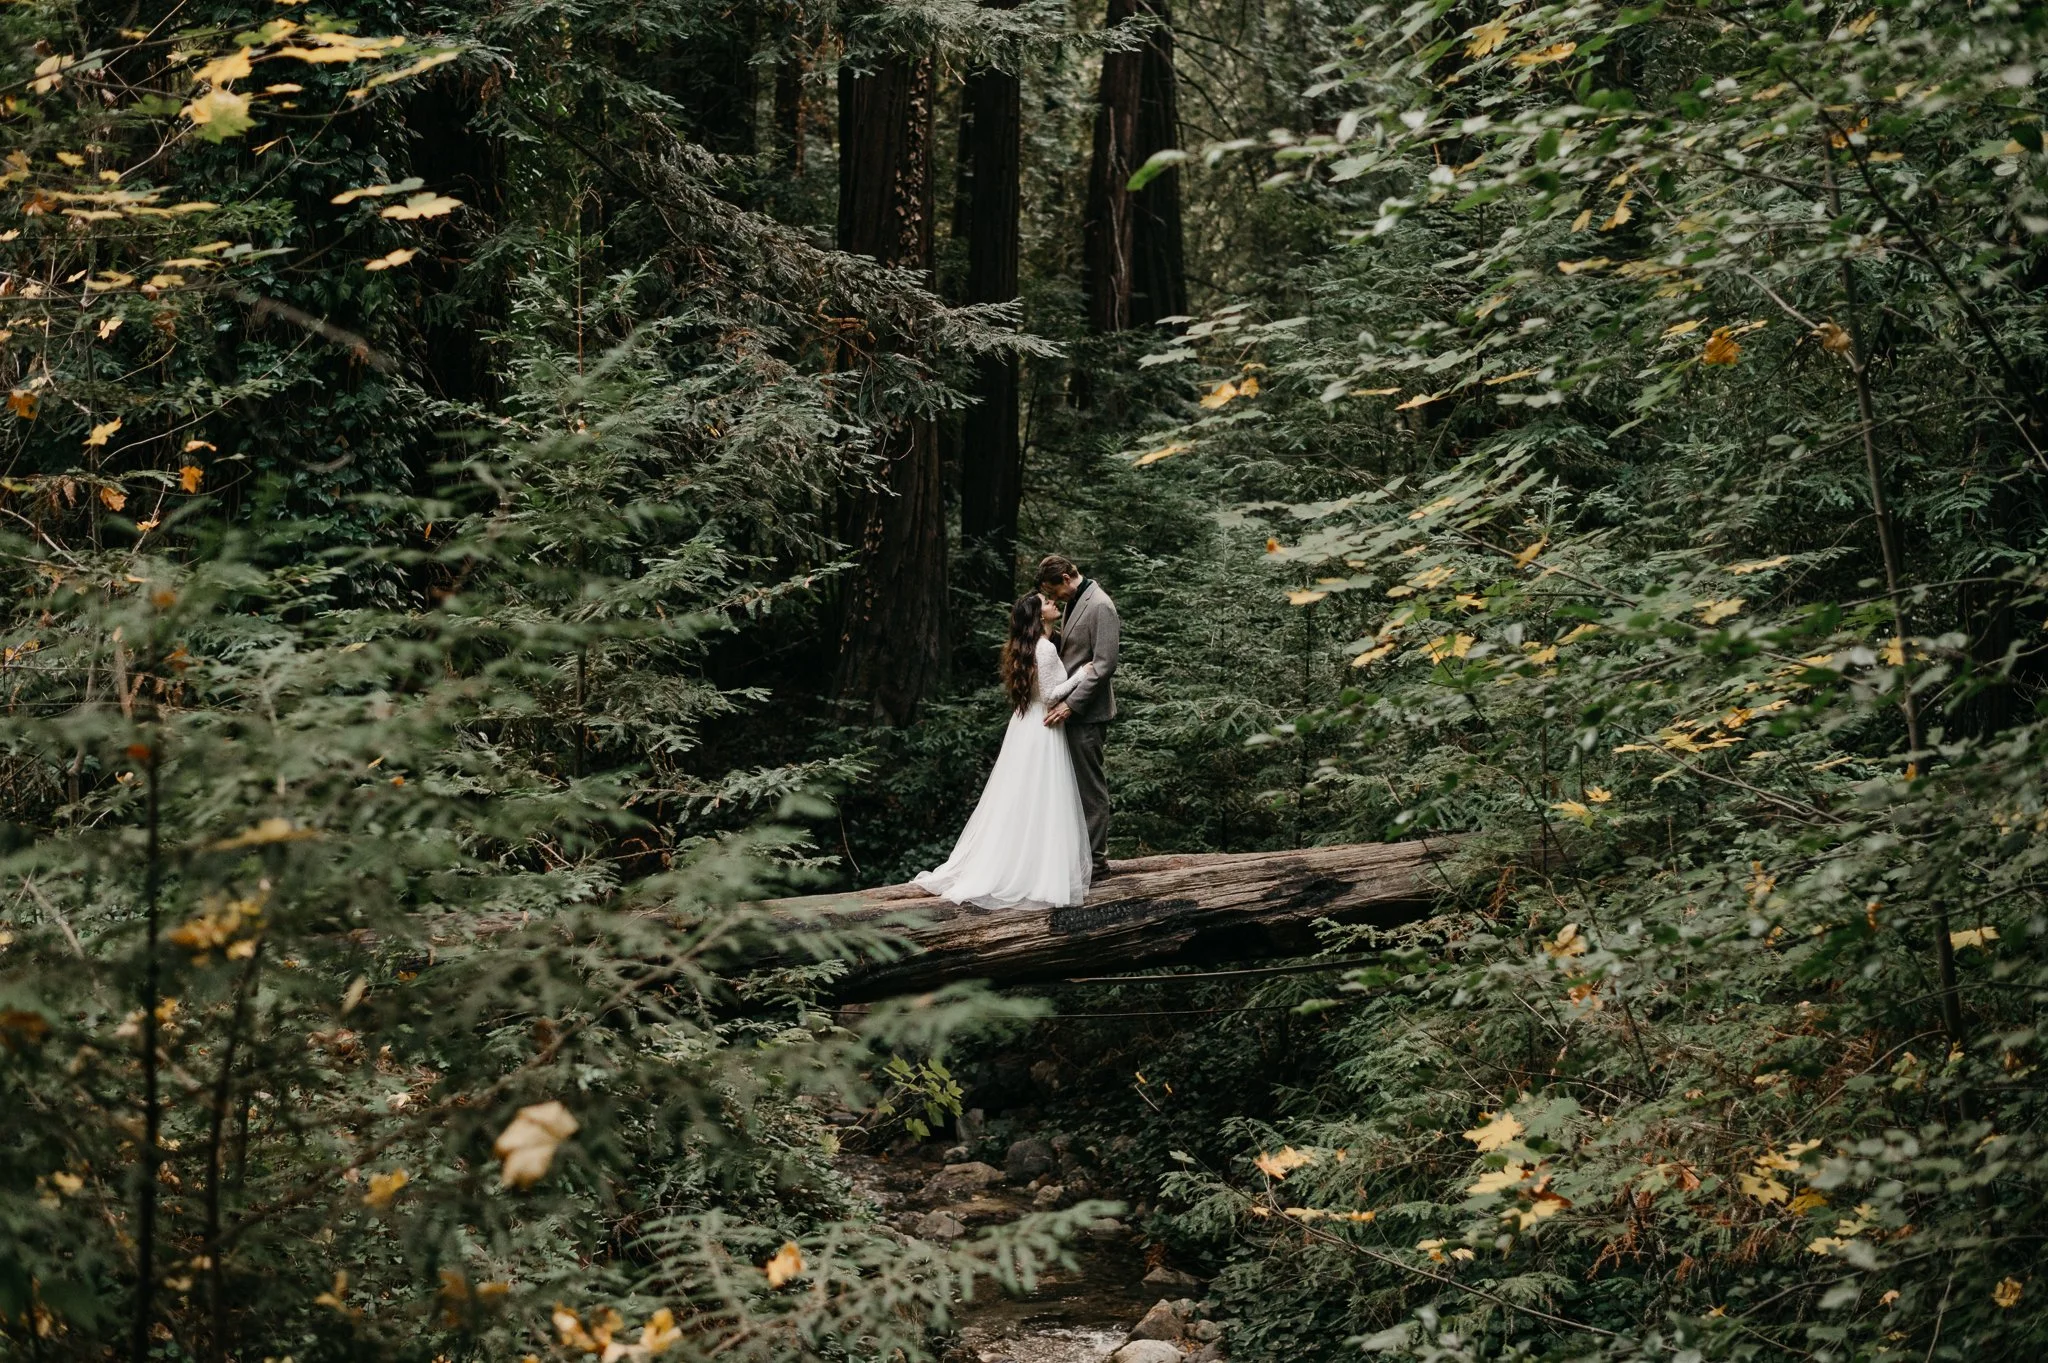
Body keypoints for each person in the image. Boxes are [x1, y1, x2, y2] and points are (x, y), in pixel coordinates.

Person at [912, 592, 1098, 909]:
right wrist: (1083, 673)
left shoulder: (1023, 648)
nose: (1054, 604)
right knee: (1043, 799)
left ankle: (1022, 864)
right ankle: (1038, 873)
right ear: (1040, 617)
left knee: (1018, 798)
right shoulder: (1046, 649)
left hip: (1023, 726)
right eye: (1047, 603)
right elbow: (1052, 695)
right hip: (1043, 728)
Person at [1035, 554, 1119, 879]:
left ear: (1068, 577)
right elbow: (1072, 651)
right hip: (1069, 709)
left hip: (1087, 713)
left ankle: (1097, 863)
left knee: (1089, 788)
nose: (1055, 598)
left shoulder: (1101, 606)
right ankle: (1079, 856)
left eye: (1055, 590)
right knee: (1071, 788)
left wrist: (1072, 705)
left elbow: (1104, 664)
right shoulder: (1074, 601)